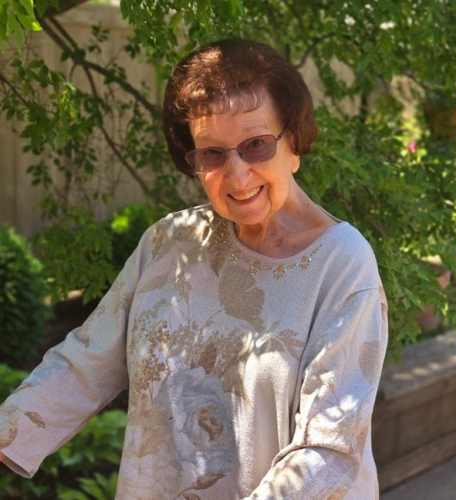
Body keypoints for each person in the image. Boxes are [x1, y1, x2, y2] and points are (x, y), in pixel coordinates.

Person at [0, 39, 388, 499]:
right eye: (213, 154)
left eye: (257, 145)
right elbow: (86, 361)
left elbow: (328, 449)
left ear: (295, 140)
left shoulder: (341, 263)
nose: (237, 174)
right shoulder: (169, 243)